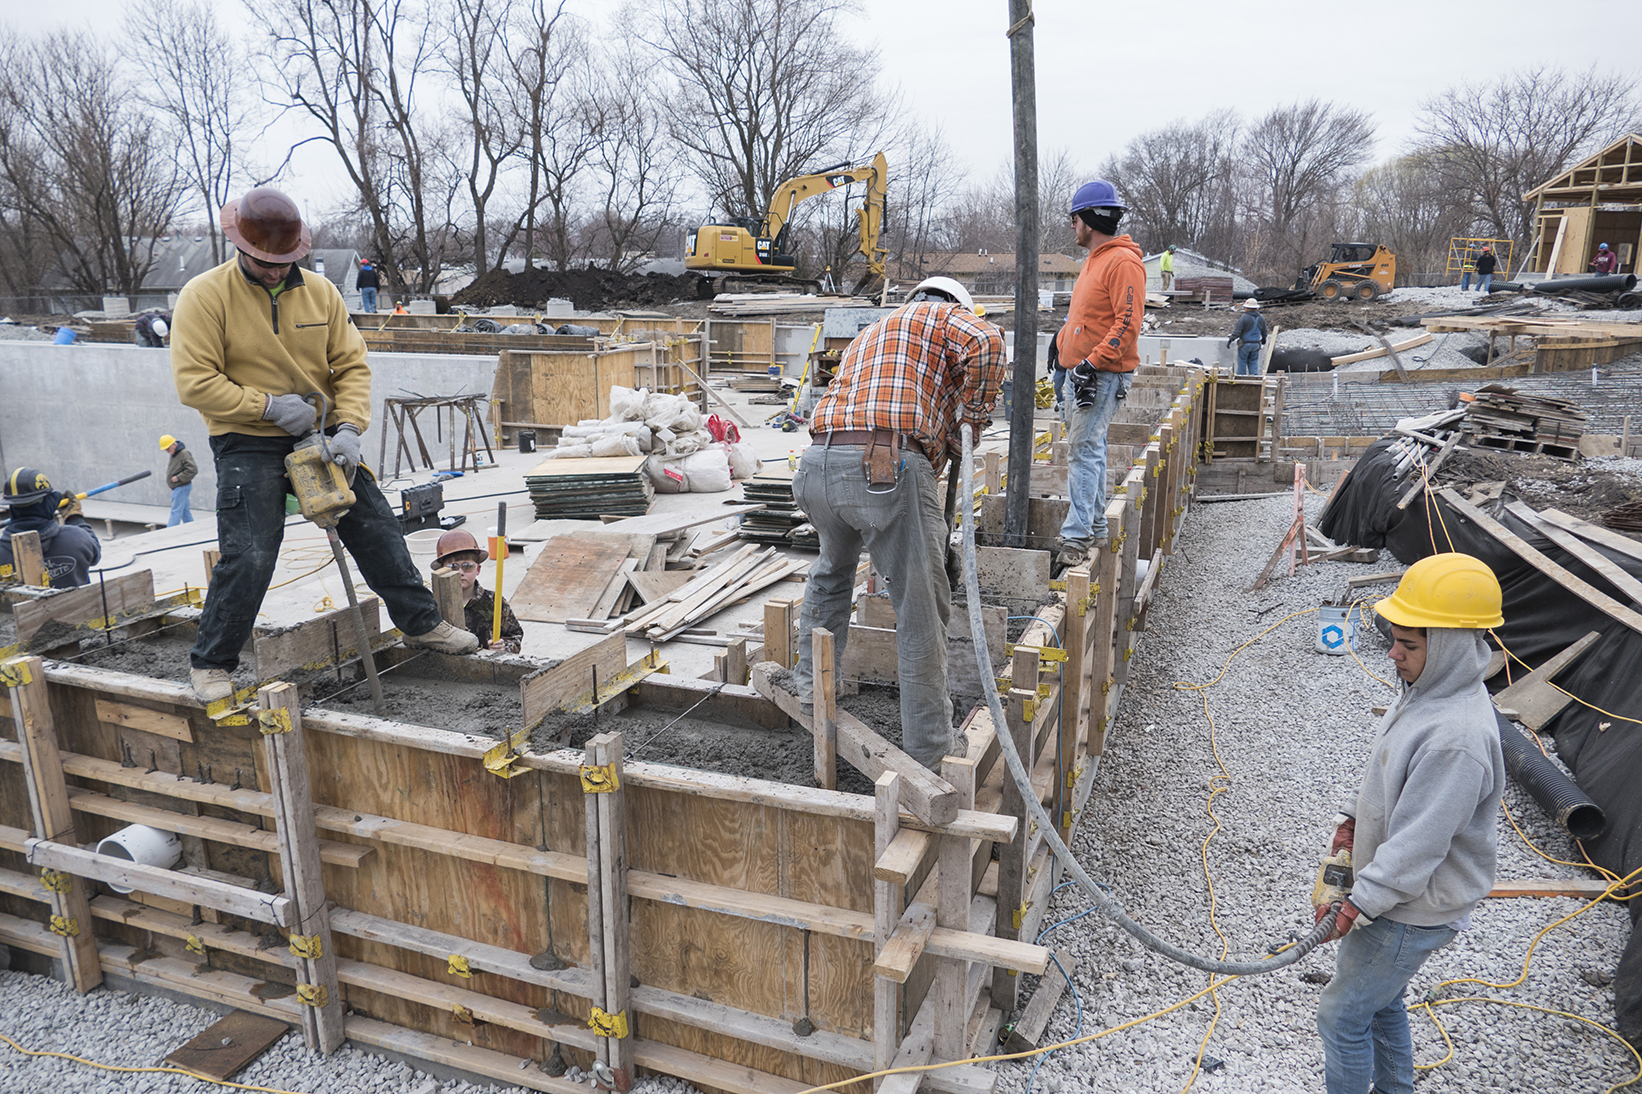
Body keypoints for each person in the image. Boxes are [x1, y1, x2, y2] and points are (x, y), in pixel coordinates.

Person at [170, 186, 478, 704]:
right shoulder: (204, 296)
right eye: (264, 261)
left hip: (323, 433)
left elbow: (352, 366)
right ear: (239, 245)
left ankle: (421, 623)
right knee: (251, 553)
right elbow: (194, 382)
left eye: (284, 261)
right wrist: (267, 406)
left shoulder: (321, 292)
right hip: (246, 436)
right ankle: (212, 662)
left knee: (377, 524)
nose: (274, 270)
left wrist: (350, 428)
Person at [791, 275, 1004, 771]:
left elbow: (929, 432)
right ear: (954, 305)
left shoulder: (877, 334)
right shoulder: (939, 316)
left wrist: (953, 433)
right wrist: (975, 414)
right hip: (879, 465)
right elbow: (988, 341)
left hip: (817, 469)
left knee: (832, 573)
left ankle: (810, 692)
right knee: (919, 607)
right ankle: (932, 747)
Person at [1314, 552, 1506, 1094]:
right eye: (1395, 638)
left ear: (1447, 648)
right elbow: (1385, 768)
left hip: (1410, 908)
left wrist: (1359, 902)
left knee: (1341, 1016)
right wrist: (1352, 820)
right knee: (1380, 1000)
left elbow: (1420, 844)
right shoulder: (1427, 694)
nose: (1394, 654)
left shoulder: (1457, 738)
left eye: (1411, 645)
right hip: (1396, 898)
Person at [1055, 180, 1145, 571]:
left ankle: (1076, 538)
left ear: (1087, 219)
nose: (1072, 227)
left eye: (1074, 219)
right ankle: (1093, 526)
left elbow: (1128, 324)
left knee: (1084, 451)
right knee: (1089, 450)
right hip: (1081, 372)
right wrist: (1060, 349)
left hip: (1101, 376)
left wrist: (1092, 362)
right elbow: (1087, 319)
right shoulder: (1094, 261)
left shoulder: (1122, 261)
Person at [0, 467, 102, 587]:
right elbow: (95, 554)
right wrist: (75, 517)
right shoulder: (76, 537)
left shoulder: (2, 551)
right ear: (49, 502)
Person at [429, 529, 523, 654]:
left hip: (488, 668)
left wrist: (504, 647)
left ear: (478, 569)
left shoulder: (494, 602)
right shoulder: (433, 605)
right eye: (452, 567)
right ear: (442, 571)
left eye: (467, 566)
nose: (460, 572)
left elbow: (515, 636)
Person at [160, 435, 198, 526]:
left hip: (181, 486)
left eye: (168, 448)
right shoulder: (175, 454)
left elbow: (193, 469)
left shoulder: (184, 453)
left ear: (174, 445)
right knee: (185, 512)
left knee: (175, 511)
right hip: (180, 487)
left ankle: (170, 533)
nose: (167, 451)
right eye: (166, 449)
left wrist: (179, 477)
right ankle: (192, 529)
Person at [1226, 299, 1268, 377]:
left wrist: (1231, 340)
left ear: (1247, 308)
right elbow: (1264, 331)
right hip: (1256, 344)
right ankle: (1254, 379)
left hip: (1245, 344)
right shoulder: (1261, 318)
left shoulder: (1244, 318)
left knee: (1242, 361)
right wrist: (1264, 339)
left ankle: (1241, 380)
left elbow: (1237, 331)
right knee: (1253, 361)